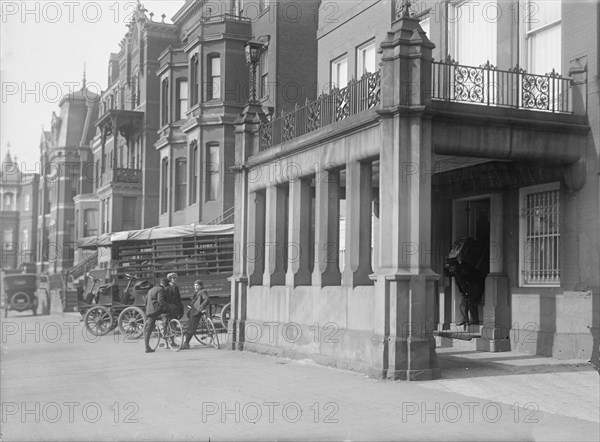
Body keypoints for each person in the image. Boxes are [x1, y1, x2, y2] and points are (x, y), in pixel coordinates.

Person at [181, 279, 211, 350]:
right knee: (190, 326)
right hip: (194, 311)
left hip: (196, 312)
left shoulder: (202, 292)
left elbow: (207, 299)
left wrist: (201, 307)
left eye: (197, 285)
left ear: (201, 286)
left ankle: (186, 343)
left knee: (191, 327)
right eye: (195, 285)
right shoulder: (198, 292)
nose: (195, 287)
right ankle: (186, 342)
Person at [143, 278, 169, 353]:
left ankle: (163, 335)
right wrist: (166, 307)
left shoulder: (151, 289)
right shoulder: (161, 290)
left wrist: (148, 308)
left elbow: (145, 300)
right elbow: (161, 301)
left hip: (150, 310)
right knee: (149, 330)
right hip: (155, 311)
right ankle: (147, 348)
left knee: (149, 329)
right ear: (164, 284)